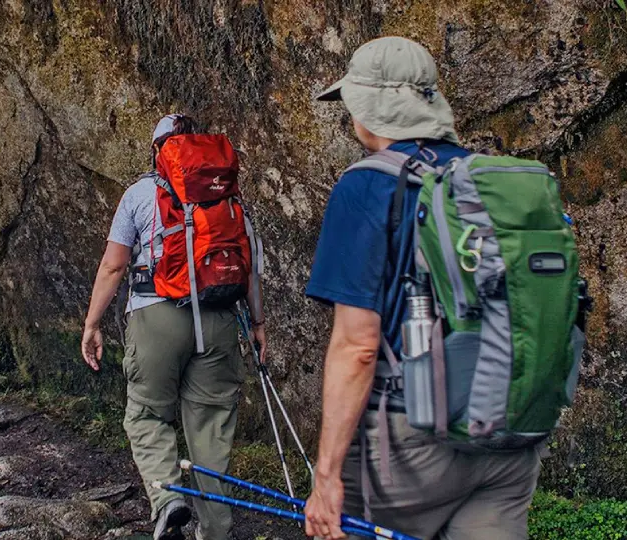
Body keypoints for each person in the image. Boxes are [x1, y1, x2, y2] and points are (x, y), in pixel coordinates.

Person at [303, 37, 540, 539]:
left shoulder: (366, 187)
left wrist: (326, 476)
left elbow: (358, 346)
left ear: (370, 108)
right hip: (508, 434)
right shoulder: (485, 180)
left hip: (412, 447)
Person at [80, 114, 267, 540]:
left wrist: (92, 324)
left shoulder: (140, 193)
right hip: (219, 320)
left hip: (156, 316)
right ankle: (216, 528)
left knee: (147, 413)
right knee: (212, 426)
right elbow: (250, 267)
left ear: (156, 149)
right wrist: (257, 324)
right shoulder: (228, 195)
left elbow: (113, 265)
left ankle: (168, 501)